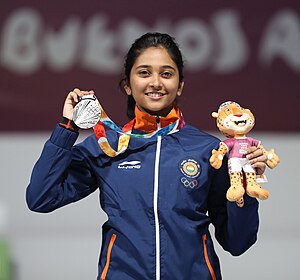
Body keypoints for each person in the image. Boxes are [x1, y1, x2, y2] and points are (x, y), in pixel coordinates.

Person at [26, 32, 267, 280]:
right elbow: (41, 197)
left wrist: (247, 187)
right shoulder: (106, 147)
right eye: (144, 73)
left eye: (166, 73)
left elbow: (238, 243)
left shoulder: (208, 150)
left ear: (180, 84)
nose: (155, 82)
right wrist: (68, 128)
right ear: (127, 85)